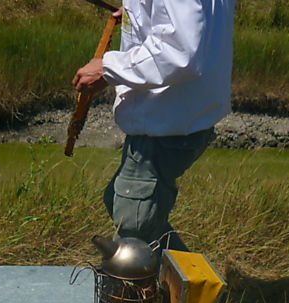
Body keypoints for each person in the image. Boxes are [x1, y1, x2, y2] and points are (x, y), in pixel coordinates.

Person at [72, 0, 236, 251]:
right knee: (122, 204)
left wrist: (108, 69)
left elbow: (179, 53)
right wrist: (139, 11)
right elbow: (192, 18)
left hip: (164, 120)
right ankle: (187, 273)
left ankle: (177, 276)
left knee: (134, 228)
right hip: (184, 115)